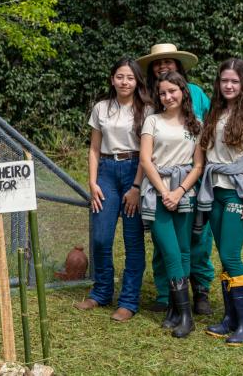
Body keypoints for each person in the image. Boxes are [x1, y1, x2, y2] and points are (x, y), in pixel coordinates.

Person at [137, 43, 215, 314]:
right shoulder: (150, 105)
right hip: (160, 183)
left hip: (188, 183)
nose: (162, 66)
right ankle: (167, 295)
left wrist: (182, 189)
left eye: (168, 61)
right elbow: (146, 156)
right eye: (157, 63)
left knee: (196, 240)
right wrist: (160, 189)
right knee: (165, 245)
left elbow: (202, 143)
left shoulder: (196, 96)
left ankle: (200, 288)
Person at [74, 58, 151, 321]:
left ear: (137, 80)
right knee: (101, 238)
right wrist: (93, 182)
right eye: (120, 76)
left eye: (130, 77)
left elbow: (147, 153)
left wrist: (137, 187)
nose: (125, 82)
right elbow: (94, 148)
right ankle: (101, 292)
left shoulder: (147, 109)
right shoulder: (101, 108)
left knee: (132, 240)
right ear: (112, 79)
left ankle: (128, 301)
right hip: (106, 171)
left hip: (134, 171)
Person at [197, 58, 243, 344]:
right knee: (223, 255)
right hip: (214, 191)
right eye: (225, 80)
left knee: (232, 255)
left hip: (237, 191)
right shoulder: (214, 112)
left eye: (235, 81)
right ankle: (230, 318)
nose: (229, 85)